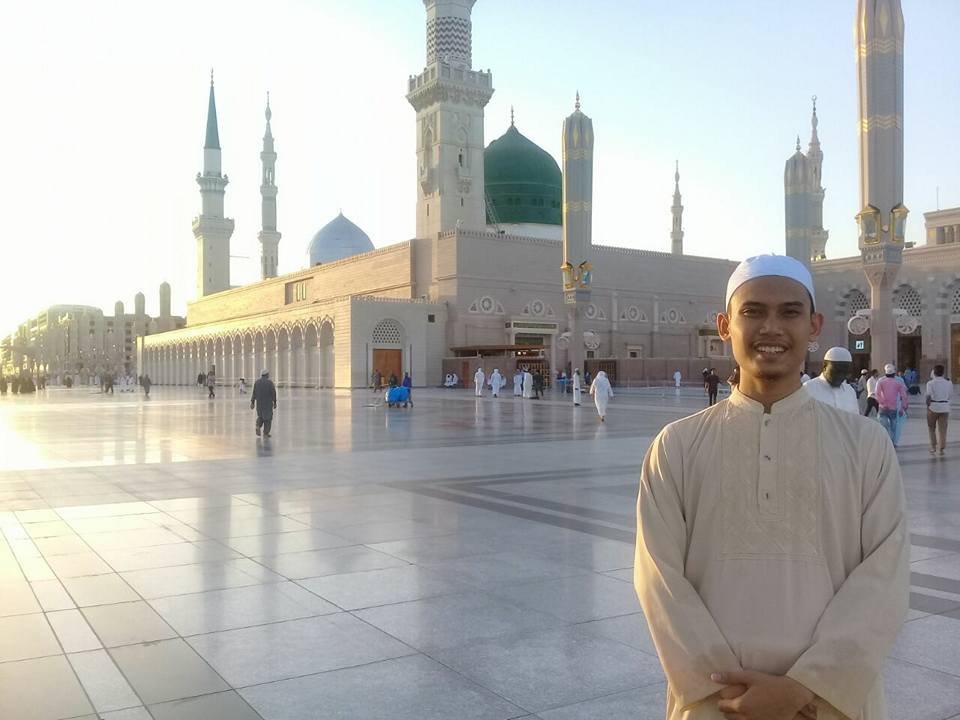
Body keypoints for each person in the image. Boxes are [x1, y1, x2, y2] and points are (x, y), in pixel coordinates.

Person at [634, 254, 908, 720]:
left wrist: (806, 687)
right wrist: (726, 690)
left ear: (814, 325)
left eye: (790, 312)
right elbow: (658, 581)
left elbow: (885, 577)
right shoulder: (677, 447)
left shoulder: (866, 446)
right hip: (716, 705)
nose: (771, 328)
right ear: (724, 325)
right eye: (753, 311)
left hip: (828, 706)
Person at [803, 347, 859, 414]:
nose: (841, 376)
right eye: (836, 371)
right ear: (824, 366)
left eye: (845, 372)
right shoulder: (808, 389)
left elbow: (855, 420)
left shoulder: (850, 392)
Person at [876, 363, 908, 446]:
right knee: (894, 426)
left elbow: (877, 393)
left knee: (883, 426)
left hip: (883, 407)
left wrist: (881, 402)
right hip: (894, 407)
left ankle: (885, 441)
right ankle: (892, 442)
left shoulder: (881, 381)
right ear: (894, 373)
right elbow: (904, 395)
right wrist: (903, 407)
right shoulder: (898, 382)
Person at [925, 364, 952, 456]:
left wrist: (928, 406)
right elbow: (949, 395)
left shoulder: (930, 383)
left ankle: (933, 446)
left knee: (931, 428)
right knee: (943, 429)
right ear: (943, 373)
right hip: (945, 407)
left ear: (934, 372)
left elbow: (928, 396)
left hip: (934, 406)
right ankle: (941, 448)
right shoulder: (948, 383)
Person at [251, 368, 277, 437]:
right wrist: (274, 402)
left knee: (261, 416)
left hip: (259, 404)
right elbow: (273, 393)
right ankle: (266, 433)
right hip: (268, 404)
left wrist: (252, 402)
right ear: (267, 375)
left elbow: (254, 393)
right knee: (268, 419)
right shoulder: (270, 383)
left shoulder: (257, 383)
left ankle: (258, 426)